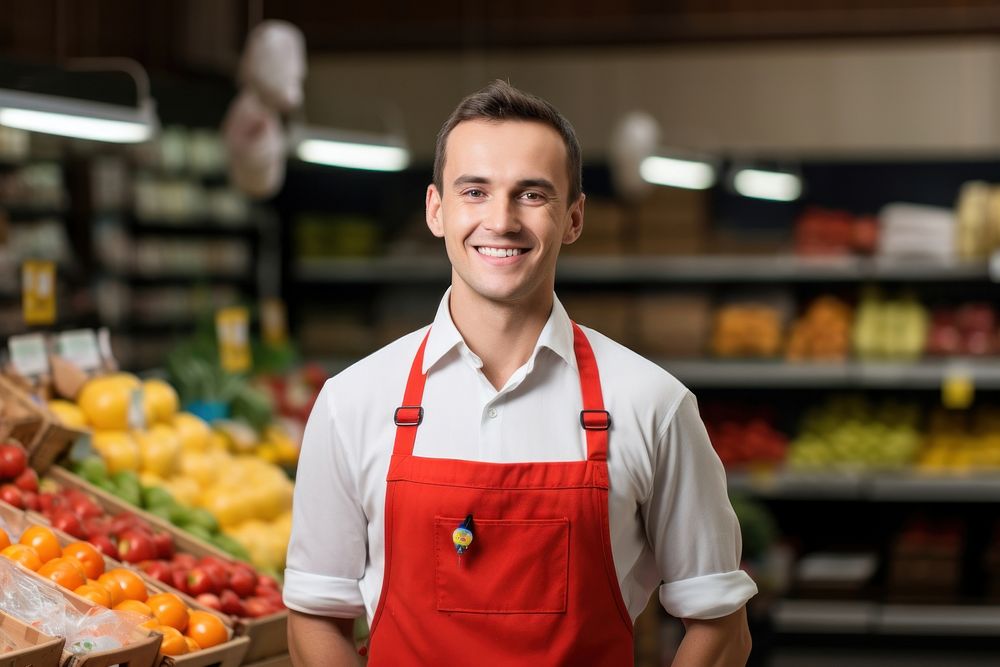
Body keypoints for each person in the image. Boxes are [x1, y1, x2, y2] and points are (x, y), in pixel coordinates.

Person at [284, 80, 757, 666]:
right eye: (475, 191)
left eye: (531, 194)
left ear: (574, 218)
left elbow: (720, 628)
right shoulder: (351, 402)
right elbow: (315, 616)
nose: (501, 220)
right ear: (437, 210)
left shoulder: (652, 404)